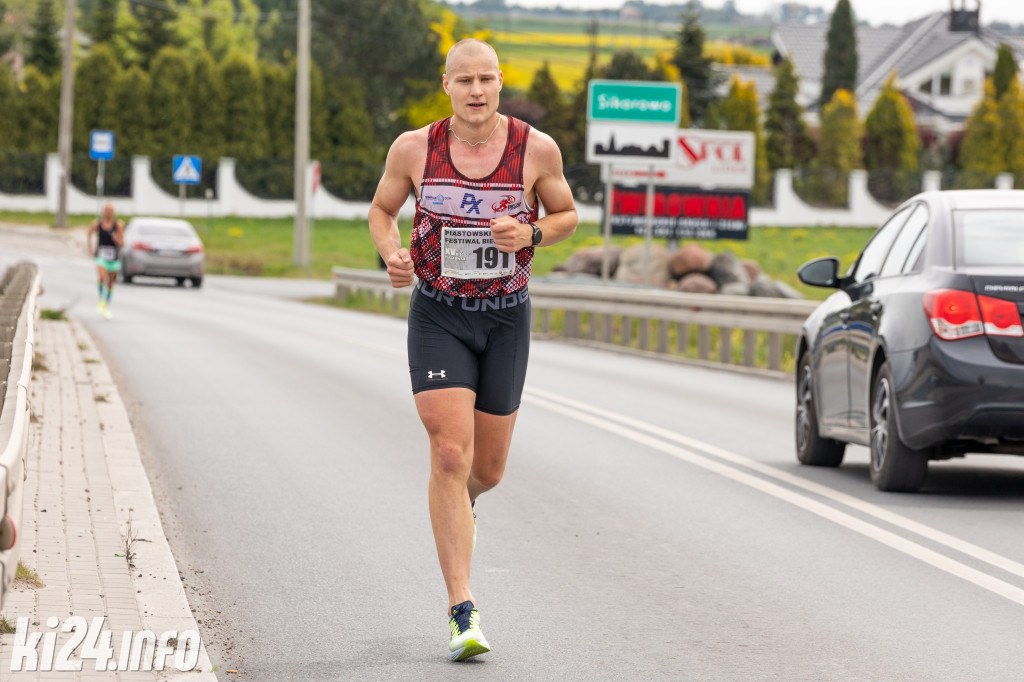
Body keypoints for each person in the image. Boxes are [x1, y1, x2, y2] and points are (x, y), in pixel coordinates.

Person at [368, 38, 578, 661]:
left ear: (500, 81)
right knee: (450, 451)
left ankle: (461, 510)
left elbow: (567, 214)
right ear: (447, 85)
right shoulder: (414, 148)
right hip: (438, 313)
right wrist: (392, 253)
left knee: (485, 471)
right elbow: (382, 212)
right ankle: (463, 610)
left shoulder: (535, 148)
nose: (477, 90)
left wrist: (533, 230)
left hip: (506, 317)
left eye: (486, 78)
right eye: (465, 80)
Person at [87, 203, 125, 319]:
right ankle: (100, 301)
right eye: (107, 210)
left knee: (110, 283)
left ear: (113, 212)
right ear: (104, 212)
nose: (108, 212)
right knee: (102, 278)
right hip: (101, 257)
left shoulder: (118, 225)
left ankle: (106, 306)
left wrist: (116, 239)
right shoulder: (98, 224)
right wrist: (91, 248)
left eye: (110, 210)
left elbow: (123, 243)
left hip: (113, 259)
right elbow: (89, 234)